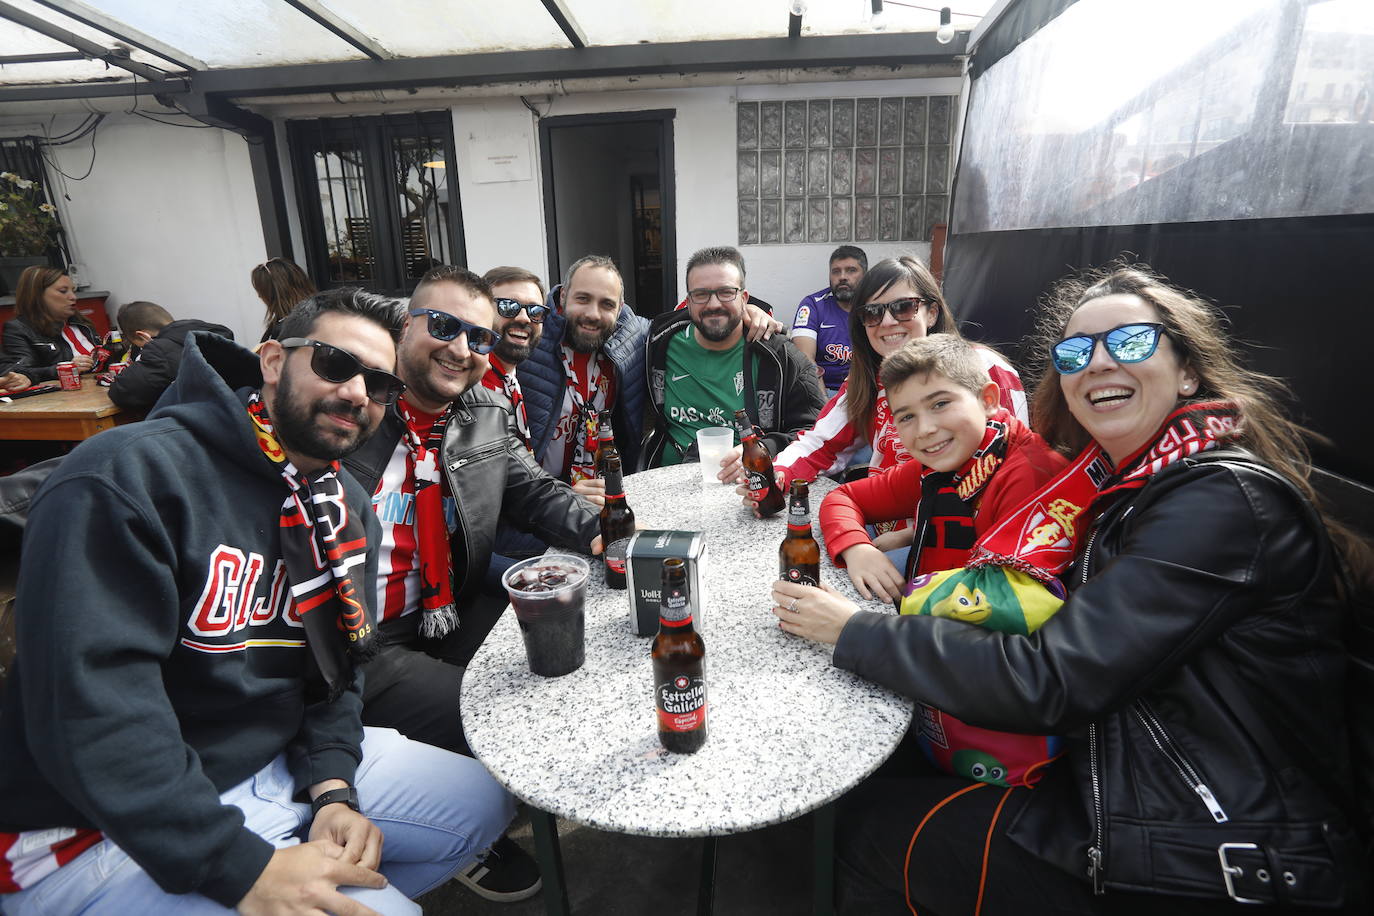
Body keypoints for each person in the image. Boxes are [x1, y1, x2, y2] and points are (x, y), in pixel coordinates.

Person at [771, 264, 1370, 914]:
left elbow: (1051, 679)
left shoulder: (1218, 501)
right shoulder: (1121, 481)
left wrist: (853, 629)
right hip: (1125, 774)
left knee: (854, 831)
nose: (1100, 365)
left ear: (1189, 371)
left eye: (1132, 343)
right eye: (1077, 352)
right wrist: (872, 543)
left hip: (1209, 850)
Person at [0, 289, 512, 914]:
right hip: (95, 828)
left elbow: (339, 670)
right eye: (333, 363)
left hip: (273, 763)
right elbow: (91, 711)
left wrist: (332, 787)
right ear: (272, 361)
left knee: (483, 803)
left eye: (379, 383)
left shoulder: (343, 504)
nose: (357, 392)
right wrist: (240, 869)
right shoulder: (129, 475)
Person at [342, 265, 602, 904]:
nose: (461, 348)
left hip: (444, 607)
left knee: (569, 647)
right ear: (402, 324)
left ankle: (466, 798)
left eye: (478, 338)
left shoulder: (481, 410)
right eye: (443, 326)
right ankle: (451, 830)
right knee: (500, 714)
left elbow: (532, 490)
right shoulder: (350, 410)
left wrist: (606, 531)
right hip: (357, 641)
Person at [751, 256, 1026, 545]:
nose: (887, 322)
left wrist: (906, 539)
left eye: (903, 307)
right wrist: (774, 476)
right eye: (872, 313)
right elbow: (821, 443)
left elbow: (1013, 470)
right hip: (882, 534)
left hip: (961, 545)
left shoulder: (984, 367)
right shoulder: (868, 379)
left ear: (931, 313)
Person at [641, 245, 825, 474]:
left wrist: (765, 449)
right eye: (701, 294)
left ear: (744, 298)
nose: (714, 304)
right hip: (667, 481)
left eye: (726, 292)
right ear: (688, 302)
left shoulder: (780, 356)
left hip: (750, 485)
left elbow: (817, 431)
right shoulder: (659, 341)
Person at [518, 255, 649, 499]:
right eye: (583, 299)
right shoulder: (527, 338)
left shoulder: (632, 338)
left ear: (620, 309)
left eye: (607, 304)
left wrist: (744, 308)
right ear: (563, 296)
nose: (593, 314)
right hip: (539, 503)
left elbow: (683, 326)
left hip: (600, 496)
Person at [108, 300, 235, 412]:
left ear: (143, 336)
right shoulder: (213, 332)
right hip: (236, 409)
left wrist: (151, 349)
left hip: (202, 422)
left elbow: (121, 392)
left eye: (140, 346)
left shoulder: (160, 351)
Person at [477, 265, 549, 455]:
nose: (525, 318)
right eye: (508, 306)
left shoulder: (509, 377)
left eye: (535, 311)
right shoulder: (470, 384)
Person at [791, 245, 867, 399]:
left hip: (866, 390)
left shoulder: (876, 305)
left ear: (865, 275)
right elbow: (805, 359)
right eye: (836, 271)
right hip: (825, 390)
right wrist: (824, 404)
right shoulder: (813, 305)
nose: (842, 277)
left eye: (851, 270)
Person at [0, 266, 97, 386]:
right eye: (63, 291)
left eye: (74, 290)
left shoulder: (82, 323)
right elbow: (18, 371)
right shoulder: (19, 328)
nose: (73, 297)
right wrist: (64, 369)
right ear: (37, 295)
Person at [252, 256, 317, 343]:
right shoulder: (322, 315)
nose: (259, 296)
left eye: (261, 291)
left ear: (273, 294)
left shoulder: (285, 331)